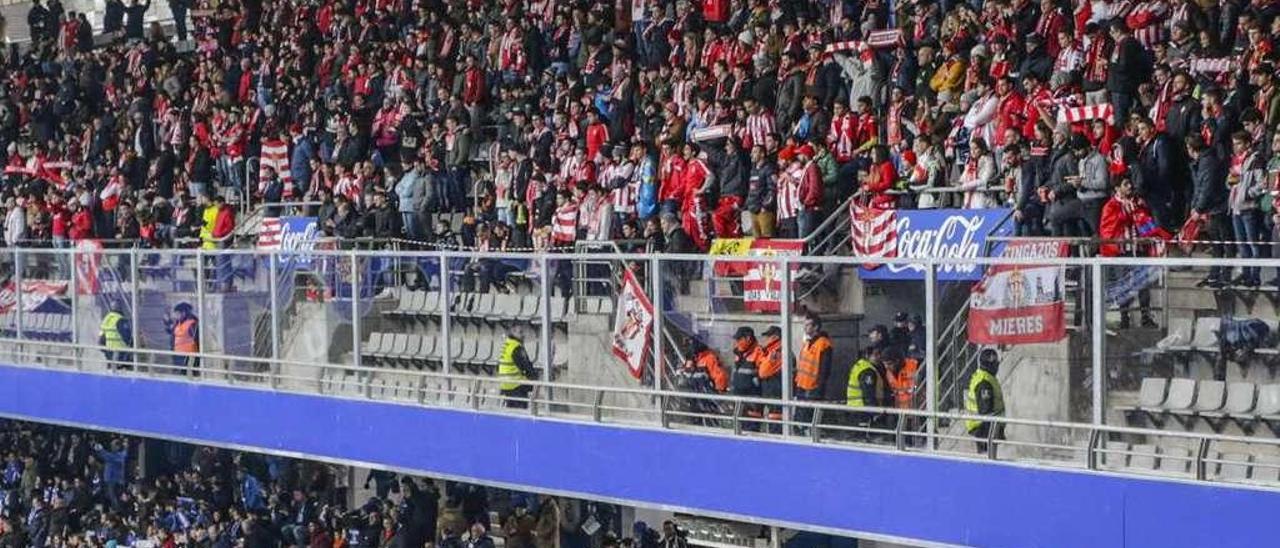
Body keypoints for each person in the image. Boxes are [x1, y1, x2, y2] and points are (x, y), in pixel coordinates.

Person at [794, 313, 832, 429]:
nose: (805, 328)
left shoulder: (823, 344)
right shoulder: (807, 342)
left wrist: (819, 387)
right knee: (800, 418)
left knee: (809, 419)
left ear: (816, 327)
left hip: (813, 388)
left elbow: (824, 369)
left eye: (808, 325)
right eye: (804, 325)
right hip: (802, 385)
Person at [966, 349, 1006, 454]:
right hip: (984, 429)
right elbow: (986, 410)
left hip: (987, 428)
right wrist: (992, 429)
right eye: (996, 364)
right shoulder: (984, 382)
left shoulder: (986, 377)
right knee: (986, 459)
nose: (997, 367)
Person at [845, 348, 885, 441]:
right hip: (862, 408)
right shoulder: (867, 371)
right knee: (862, 437)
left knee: (857, 436)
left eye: (879, 354)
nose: (878, 357)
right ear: (867, 356)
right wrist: (875, 411)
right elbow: (868, 393)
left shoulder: (860, 365)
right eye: (875, 355)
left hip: (854, 406)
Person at [497, 325, 538, 408]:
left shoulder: (506, 344)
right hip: (515, 385)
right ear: (513, 332)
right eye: (520, 332)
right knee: (521, 410)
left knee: (511, 411)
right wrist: (535, 378)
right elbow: (526, 365)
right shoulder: (516, 347)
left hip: (504, 384)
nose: (523, 335)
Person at [756, 326, 784, 432]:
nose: (765, 340)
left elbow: (763, 372)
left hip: (776, 394)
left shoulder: (777, 352)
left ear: (775, 337)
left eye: (768, 337)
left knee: (776, 426)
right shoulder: (771, 351)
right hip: (772, 393)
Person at [166, 302, 200, 376]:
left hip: (188, 357)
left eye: (178, 314)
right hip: (178, 355)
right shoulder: (179, 323)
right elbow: (172, 332)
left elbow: (197, 339)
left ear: (183, 313)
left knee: (188, 375)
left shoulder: (192, 324)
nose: (176, 316)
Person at [98, 302, 133, 370]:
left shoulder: (106, 319)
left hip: (109, 351)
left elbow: (101, 338)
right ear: (120, 308)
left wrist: (105, 351)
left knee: (111, 370)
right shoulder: (120, 320)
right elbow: (127, 337)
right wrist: (133, 345)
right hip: (121, 352)